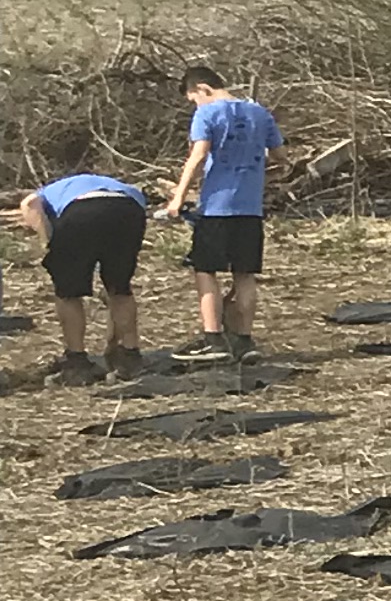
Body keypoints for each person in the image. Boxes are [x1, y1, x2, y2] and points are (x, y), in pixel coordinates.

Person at [162, 61, 285, 362]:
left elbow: (198, 155)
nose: (195, 105)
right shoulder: (260, 113)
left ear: (202, 89)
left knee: (205, 270)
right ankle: (244, 340)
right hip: (250, 208)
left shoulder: (207, 113)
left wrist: (178, 198)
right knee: (245, 274)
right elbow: (280, 156)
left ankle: (213, 338)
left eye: (194, 99)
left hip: (217, 207)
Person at [16, 139, 148, 383]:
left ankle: (77, 362)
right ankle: (129, 355)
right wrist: (111, 341)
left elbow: (29, 205)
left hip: (81, 213)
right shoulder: (121, 186)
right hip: (128, 211)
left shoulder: (49, 191)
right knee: (119, 287)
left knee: (68, 292)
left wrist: (48, 241)